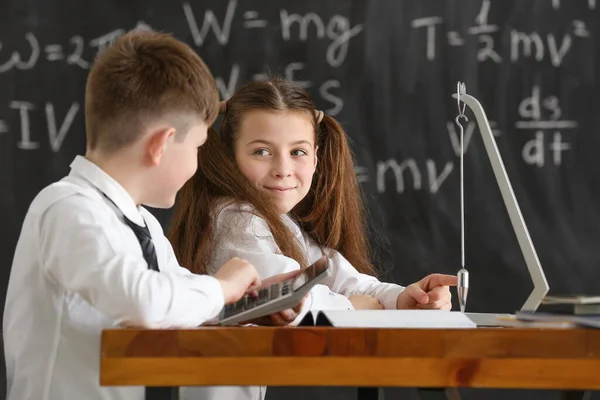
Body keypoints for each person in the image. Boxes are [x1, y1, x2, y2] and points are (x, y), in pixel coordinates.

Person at [2, 29, 265, 400]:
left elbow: (176, 298)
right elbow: (144, 302)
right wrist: (222, 288)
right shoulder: (67, 208)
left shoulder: (142, 224)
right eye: (197, 147)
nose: (197, 164)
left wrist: (253, 302)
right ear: (161, 145)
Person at [168, 77, 458, 400]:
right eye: (262, 151)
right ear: (230, 157)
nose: (283, 169)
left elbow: (345, 278)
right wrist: (356, 307)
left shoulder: (281, 224)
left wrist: (405, 299)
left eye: (298, 152)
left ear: (316, 158)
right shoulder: (235, 218)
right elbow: (291, 301)